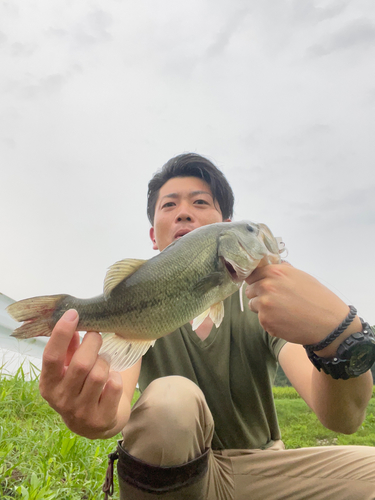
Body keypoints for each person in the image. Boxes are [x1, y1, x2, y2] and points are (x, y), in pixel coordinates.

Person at [39, 153, 375, 500]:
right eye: (169, 205)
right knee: (171, 400)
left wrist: (338, 334)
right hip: (172, 476)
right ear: (154, 236)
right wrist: (94, 416)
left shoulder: (266, 304)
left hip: (261, 474)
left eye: (200, 202)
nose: (184, 211)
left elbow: (342, 418)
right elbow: (117, 406)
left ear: (223, 224)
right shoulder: (135, 306)